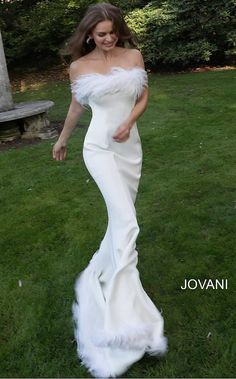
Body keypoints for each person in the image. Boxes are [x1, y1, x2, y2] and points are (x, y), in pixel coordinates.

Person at [52, 2, 167, 377]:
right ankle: (126, 321)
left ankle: (98, 273)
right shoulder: (79, 67)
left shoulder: (133, 55)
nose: (107, 38)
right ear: (88, 34)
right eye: (100, 34)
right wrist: (62, 139)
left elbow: (142, 96)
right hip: (98, 148)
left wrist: (129, 121)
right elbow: (75, 106)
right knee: (128, 223)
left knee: (121, 222)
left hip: (129, 148)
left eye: (112, 32)